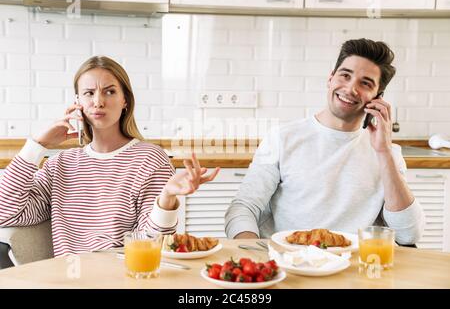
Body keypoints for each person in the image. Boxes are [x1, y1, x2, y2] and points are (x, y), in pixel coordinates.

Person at [0, 56, 219, 257]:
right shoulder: (60, 165)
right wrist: (36, 146)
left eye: (110, 91)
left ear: (125, 100)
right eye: (89, 93)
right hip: (69, 282)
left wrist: (166, 199)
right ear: (78, 102)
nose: (98, 101)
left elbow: (153, 244)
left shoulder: (150, 159)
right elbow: (5, 214)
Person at [225, 38, 424, 245]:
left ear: (377, 97)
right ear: (330, 78)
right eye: (345, 75)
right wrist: (255, 256)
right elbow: (243, 208)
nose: (350, 88)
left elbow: (408, 235)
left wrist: (384, 152)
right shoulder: (282, 139)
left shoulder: (387, 153)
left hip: (355, 268)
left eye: (365, 83)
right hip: (291, 263)